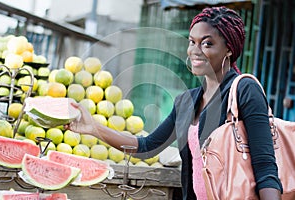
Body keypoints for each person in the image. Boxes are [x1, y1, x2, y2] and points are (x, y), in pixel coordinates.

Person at [65, 6, 283, 200]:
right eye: (192, 42)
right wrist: (93, 128)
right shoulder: (187, 101)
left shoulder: (245, 90)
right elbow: (147, 146)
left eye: (207, 43)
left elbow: (265, 168)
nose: (195, 51)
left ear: (229, 49)